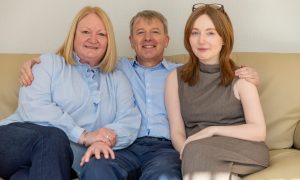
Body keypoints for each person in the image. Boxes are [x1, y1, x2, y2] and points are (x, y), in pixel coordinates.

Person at [19, 10, 260, 180]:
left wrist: (250, 75)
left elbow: (215, 75)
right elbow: (80, 65)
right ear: (131, 41)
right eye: (140, 32)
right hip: (123, 146)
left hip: (165, 149)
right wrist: (33, 64)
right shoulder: (112, 68)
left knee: (165, 176)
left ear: (166, 40)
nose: (147, 38)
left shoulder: (183, 74)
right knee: (97, 171)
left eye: (155, 32)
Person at [0, 6, 141, 180]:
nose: (93, 39)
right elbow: (34, 107)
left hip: (60, 160)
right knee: (53, 138)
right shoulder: (48, 63)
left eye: (101, 34)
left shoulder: (117, 78)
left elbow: (130, 119)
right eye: (85, 32)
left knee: (26, 177)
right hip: (12, 142)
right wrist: (83, 135)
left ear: (109, 41)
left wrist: (103, 138)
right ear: (73, 36)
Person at [165, 3, 269, 180]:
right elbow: (177, 131)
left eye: (211, 33)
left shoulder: (242, 78)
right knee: (199, 155)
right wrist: (187, 150)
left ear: (224, 38)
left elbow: (258, 131)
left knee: (198, 152)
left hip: (242, 148)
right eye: (195, 33)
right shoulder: (175, 78)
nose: (201, 40)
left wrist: (212, 130)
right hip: (195, 151)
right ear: (188, 38)